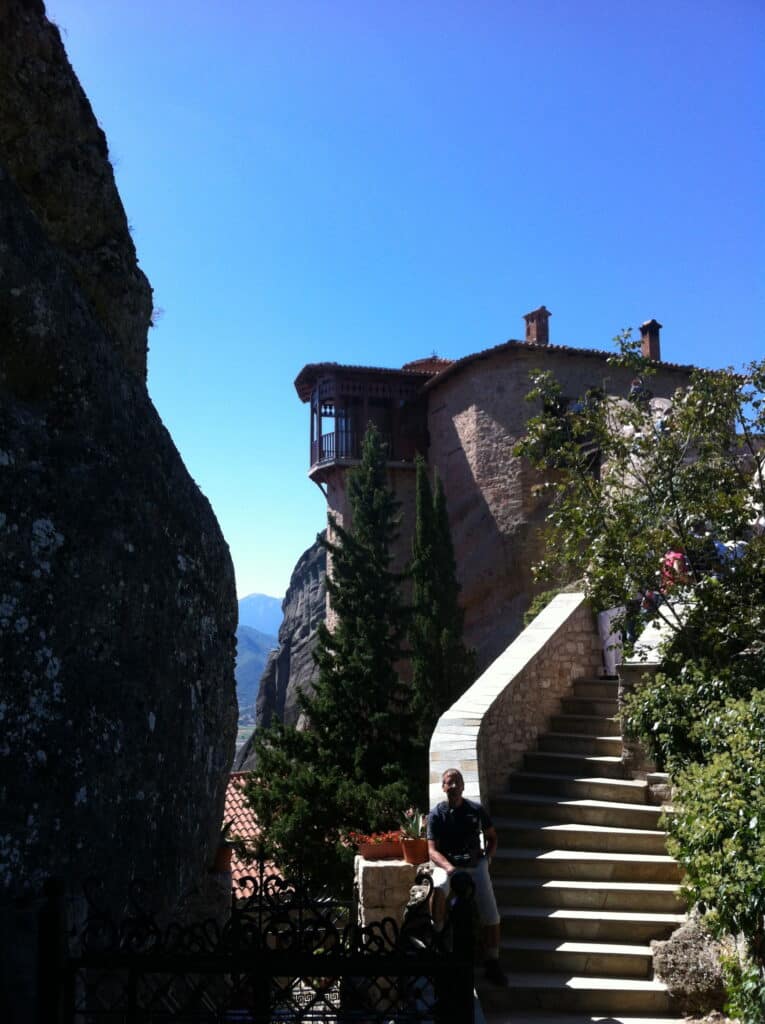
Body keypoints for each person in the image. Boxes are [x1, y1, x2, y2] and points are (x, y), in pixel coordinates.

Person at [427, 768, 507, 986]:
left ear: (463, 786)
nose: (452, 786)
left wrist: (487, 859)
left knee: (491, 914)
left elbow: (492, 837)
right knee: (439, 886)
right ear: (442, 788)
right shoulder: (436, 815)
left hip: (474, 865)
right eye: (448, 783)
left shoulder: (476, 810)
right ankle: (438, 935)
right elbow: (432, 851)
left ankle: (492, 960)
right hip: (448, 865)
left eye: (456, 782)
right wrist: (450, 869)